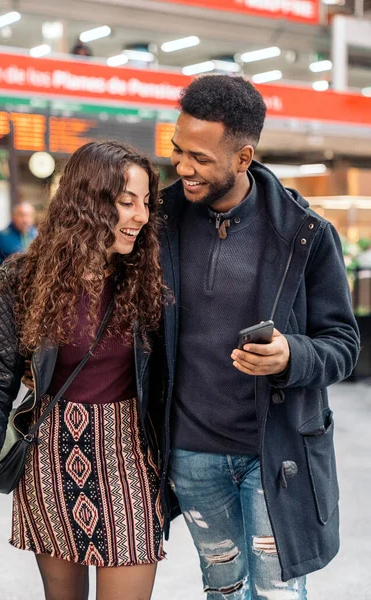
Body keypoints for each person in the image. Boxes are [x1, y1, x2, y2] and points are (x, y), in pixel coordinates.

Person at [157, 75, 360, 598]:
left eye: (199, 158)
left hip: (277, 452)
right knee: (222, 587)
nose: (182, 167)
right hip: (192, 453)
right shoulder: (160, 222)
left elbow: (343, 343)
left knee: (277, 593)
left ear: (243, 158)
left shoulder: (305, 234)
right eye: (178, 150)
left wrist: (294, 354)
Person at [0, 141, 166, 600]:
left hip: (130, 456)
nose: (141, 215)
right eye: (126, 202)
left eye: (145, 202)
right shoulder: (23, 278)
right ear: (89, 202)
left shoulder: (150, 276)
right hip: (51, 455)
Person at [0, 201, 37, 278]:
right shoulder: (1, 236)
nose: (25, 220)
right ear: (13, 216)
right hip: (9, 284)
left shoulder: (36, 235)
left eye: (28, 215)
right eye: (21, 215)